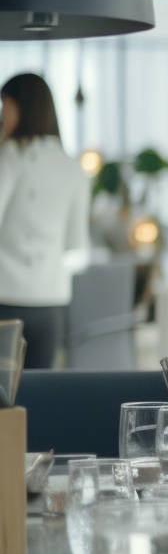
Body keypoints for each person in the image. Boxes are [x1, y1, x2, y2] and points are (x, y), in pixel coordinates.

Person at [0, 73, 89, 369]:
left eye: (5, 105)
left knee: (5, 403)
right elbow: (76, 243)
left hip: (6, 298)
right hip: (52, 300)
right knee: (40, 394)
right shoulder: (72, 166)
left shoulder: (10, 155)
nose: (3, 114)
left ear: (20, 107)